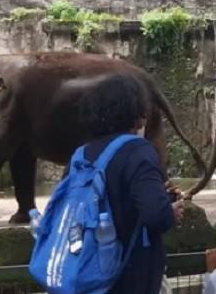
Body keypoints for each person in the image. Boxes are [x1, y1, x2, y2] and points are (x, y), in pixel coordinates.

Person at [78, 74, 183, 294]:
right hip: (128, 275)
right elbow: (155, 216)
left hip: (85, 271)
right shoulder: (138, 150)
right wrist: (169, 211)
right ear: (139, 116)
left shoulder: (82, 154)